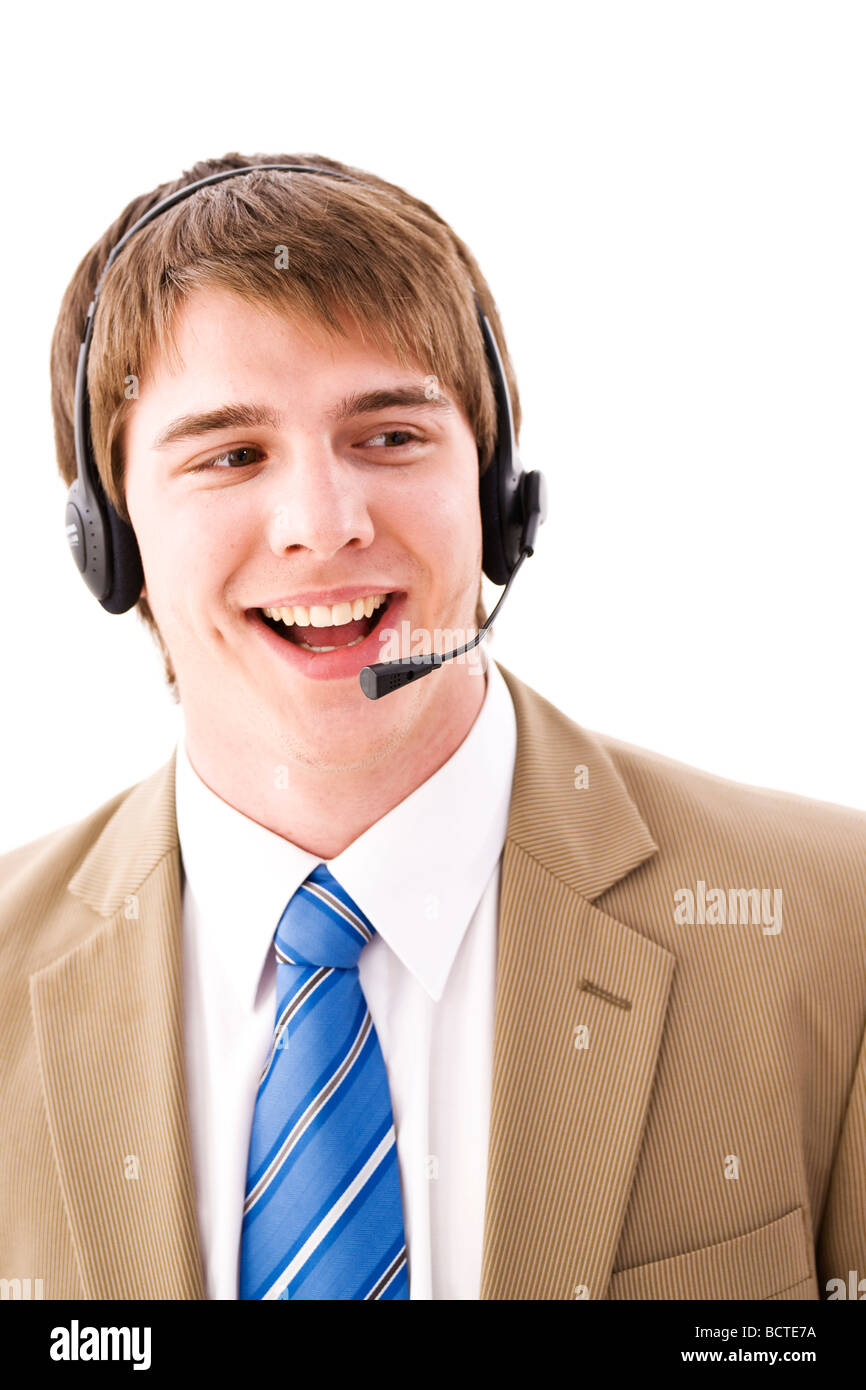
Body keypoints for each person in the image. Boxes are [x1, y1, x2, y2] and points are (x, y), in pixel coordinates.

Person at [0, 152, 863, 1302]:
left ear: (498, 494)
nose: (323, 522)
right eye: (231, 454)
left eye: (389, 436)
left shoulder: (828, 929)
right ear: (106, 540)